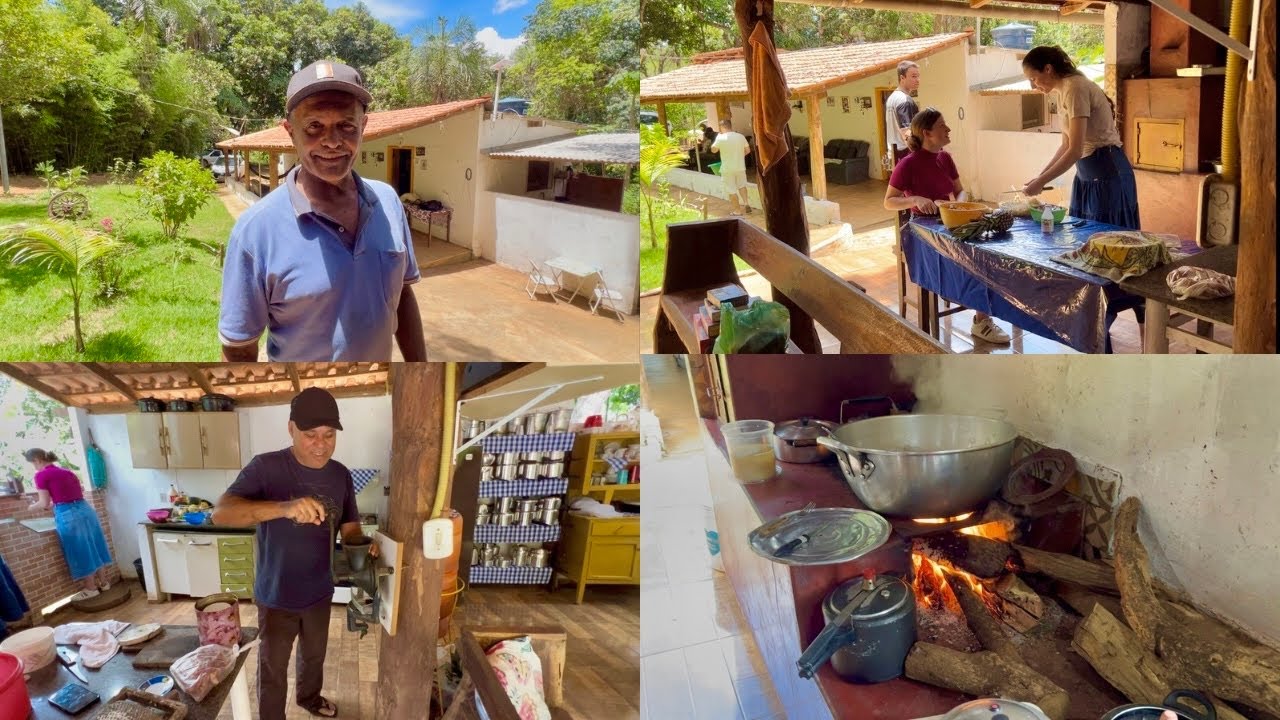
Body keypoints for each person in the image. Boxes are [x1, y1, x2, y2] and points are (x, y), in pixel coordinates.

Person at [219, 60, 427, 363]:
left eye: (346, 125)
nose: (332, 141)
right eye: (314, 126)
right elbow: (238, 349)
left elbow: (403, 294)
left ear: (363, 127)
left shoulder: (388, 202)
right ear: (291, 132)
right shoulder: (255, 232)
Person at [211, 387, 377, 720]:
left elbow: (350, 527)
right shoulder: (266, 467)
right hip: (276, 595)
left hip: (319, 591)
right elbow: (221, 513)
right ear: (291, 429)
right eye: (310, 434)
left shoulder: (340, 475)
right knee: (273, 667)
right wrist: (284, 508)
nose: (321, 444)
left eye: (329, 435)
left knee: (314, 657)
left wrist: (363, 544)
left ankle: (309, 699)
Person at [1020, 45, 1144, 352]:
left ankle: (1115, 315)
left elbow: (1075, 149)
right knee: (1088, 247)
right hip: (1088, 176)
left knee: (1111, 249)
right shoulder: (1062, 92)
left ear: (1048, 69)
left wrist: (1042, 182)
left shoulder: (1075, 87)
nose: (1034, 85)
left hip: (1107, 172)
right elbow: (1065, 145)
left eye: (1034, 78)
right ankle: (1094, 322)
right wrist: (1039, 178)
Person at [883, 107, 1012, 345]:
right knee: (970, 261)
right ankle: (981, 318)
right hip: (922, 232)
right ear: (927, 133)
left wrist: (957, 206)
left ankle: (982, 319)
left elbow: (960, 191)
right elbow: (889, 201)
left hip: (948, 223)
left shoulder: (945, 158)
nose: (948, 129)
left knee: (984, 255)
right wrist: (915, 199)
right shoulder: (908, 164)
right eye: (942, 126)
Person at [24, 449, 113, 601]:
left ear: (37, 460)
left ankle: (91, 589)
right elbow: (67, 497)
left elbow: (43, 503)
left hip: (69, 515)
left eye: (33, 464)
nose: (34, 467)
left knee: (81, 549)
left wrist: (31, 507)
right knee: (95, 545)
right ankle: (104, 583)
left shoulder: (41, 475)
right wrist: (52, 504)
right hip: (86, 510)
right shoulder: (67, 472)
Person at [710, 119, 753, 215]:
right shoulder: (741, 136)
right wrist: (739, 156)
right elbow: (748, 150)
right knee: (742, 186)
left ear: (722, 127)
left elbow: (713, 150)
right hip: (740, 167)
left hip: (727, 169)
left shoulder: (720, 138)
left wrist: (717, 138)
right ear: (730, 126)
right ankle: (746, 203)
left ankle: (737, 211)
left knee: (731, 190)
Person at [884, 61, 920, 170]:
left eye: (918, 76)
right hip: (905, 153)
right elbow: (906, 132)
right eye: (913, 76)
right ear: (902, 77)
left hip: (895, 154)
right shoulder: (904, 100)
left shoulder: (892, 98)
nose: (918, 79)